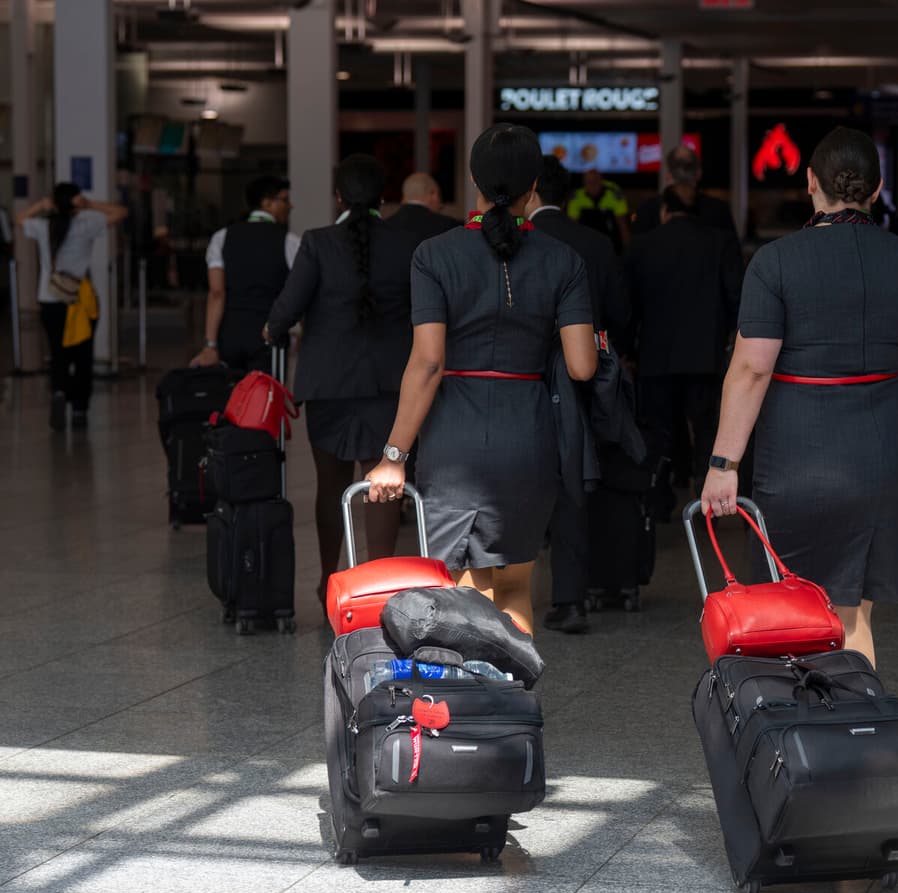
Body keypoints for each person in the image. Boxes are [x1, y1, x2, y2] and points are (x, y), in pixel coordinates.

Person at [700, 126, 898, 667]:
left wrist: (724, 463)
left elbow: (751, 369)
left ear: (810, 181)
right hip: (888, 455)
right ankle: (853, 728)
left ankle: (800, 734)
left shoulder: (775, 262)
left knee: (790, 603)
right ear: (878, 187)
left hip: (800, 451)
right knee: (855, 610)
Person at [363, 124, 597, 634]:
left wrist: (393, 456)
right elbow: (582, 366)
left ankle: (471, 706)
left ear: (472, 178)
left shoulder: (434, 255)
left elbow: (427, 363)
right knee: (515, 586)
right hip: (530, 435)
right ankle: (516, 702)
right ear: (533, 188)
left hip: (455, 441)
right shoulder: (564, 260)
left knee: (460, 588)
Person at [266, 155, 421, 602]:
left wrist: (272, 329)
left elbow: (287, 309)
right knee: (385, 485)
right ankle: (379, 584)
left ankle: (327, 582)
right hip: (389, 385)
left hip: (328, 385)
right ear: (383, 197)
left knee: (330, 487)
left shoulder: (317, 242)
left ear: (338, 196)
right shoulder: (406, 243)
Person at [526, 154, 632, 634]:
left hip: (520, 379)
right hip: (582, 376)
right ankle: (572, 595)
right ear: (567, 196)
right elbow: (619, 312)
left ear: (531, 192)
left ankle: (503, 594)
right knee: (576, 480)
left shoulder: (514, 241)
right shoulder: (595, 242)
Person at [625, 186, 743, 514]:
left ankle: (659, 501)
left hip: (656, 354)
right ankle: (711, 506)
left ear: (665, 211)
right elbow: (737, 297)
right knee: (705, 429)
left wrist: (629, 349)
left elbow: (629, 305)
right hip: (705, 355)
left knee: (658, 430)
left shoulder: (643, 245)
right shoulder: (719, 242)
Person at [15, 183, 127, 430]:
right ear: (76, 202)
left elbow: (19, 219)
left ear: (55, 203)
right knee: (82, 355)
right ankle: (79, 409)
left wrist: (41, 206)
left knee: (58, 353)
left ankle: (58, 392)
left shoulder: (45, 226)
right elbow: (120, 212)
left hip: (50, 298)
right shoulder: (86, 225)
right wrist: (90, 205)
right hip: (78, 301)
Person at [192, 176, 299, 373]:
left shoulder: (221, 237)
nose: (290, 206)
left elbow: (217, 293)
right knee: (267, 400)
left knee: (235, 400)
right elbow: (300, 290)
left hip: (230, 336)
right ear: (266, 203)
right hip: (269, 336)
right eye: (284, 200)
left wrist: (210, 345)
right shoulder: (290, 241)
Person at [632, 145, 738, 240]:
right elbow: (733, 256)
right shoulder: (719, 211)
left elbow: (635, 256)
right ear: (699, 173)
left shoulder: (646, 210)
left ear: (668, 174)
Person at [567, 169, 630, 253]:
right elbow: (572, 227)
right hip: (586, 242)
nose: (593, 185)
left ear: (601, 181)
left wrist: (628, 250)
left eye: (595, 181)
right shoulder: (576, 196)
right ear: (584, 183)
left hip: (610, 243)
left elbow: (623, 226)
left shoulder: (614, 193)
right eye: (589, 182)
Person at [385, 172, 459, 243]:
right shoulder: (448, 226)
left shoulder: (385, 226)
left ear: (403, 198)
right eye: (440, 196)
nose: (441, 205)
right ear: (434, 195)